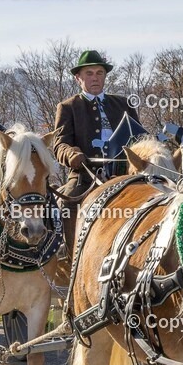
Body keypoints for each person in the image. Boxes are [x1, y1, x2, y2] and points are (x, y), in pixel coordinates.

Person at [53, 49, 140, 243]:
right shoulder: (68, 107)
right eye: (89, 73)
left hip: (126, 173)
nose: (95, 78)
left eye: (99, 73)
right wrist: (71, 154)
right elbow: (60, 144)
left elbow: (139, 138)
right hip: (85, 176)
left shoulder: (124, 104)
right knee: (66, 204)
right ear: (78, 78)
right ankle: (67, 256)